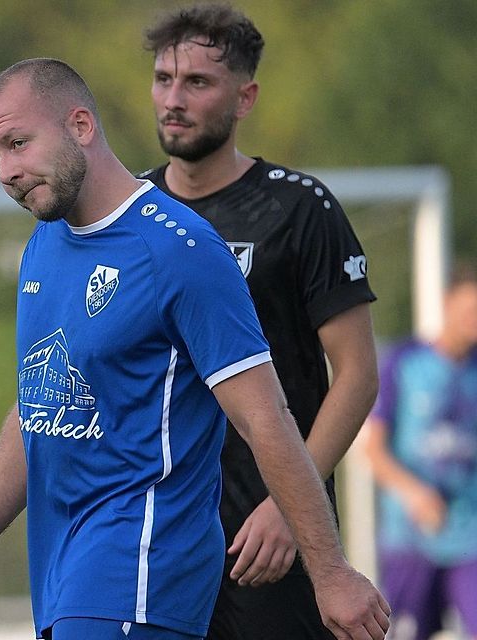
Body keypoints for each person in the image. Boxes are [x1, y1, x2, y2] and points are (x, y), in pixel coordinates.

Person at [0, 57, 389, 640]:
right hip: (65, 578)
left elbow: (266, 417)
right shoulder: (43, 246)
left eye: (18, 143)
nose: (7, 171)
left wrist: (332, 574)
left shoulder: (179, 250)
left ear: (81, 126)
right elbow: (36, 408)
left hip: (140, 569)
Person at [136, 5, 380, 639]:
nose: (173, 99)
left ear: (244, 97)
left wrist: (290, 508)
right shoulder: (131, 214)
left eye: (197, 83)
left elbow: (356, 374)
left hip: (265, 540)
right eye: (164, 79)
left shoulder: (298, 208)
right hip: (156, 536)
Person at [362, 263, 477, 640]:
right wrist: (414, 493)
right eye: (469, 311)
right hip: (411, 538)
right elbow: (374, 450)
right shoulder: (405, 362)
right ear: (446, 305)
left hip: (469, 536)